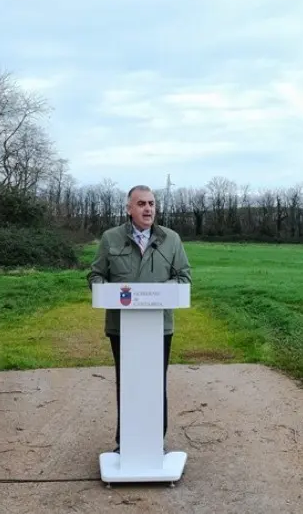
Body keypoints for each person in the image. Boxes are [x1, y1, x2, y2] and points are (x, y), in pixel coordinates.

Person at [87, 184, 192, 452]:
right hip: (122, 328)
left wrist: (159, 293)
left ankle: (157, 442)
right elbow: (96, 275)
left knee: (156, 383)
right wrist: (104, 290)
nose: (148, 209)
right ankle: (126, 444)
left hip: (159, 327)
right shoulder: (111, 238)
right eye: (142, 204)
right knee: (128, 383)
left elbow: (183, 277)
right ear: (129, 208)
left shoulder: (172, 239)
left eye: (152, 204)